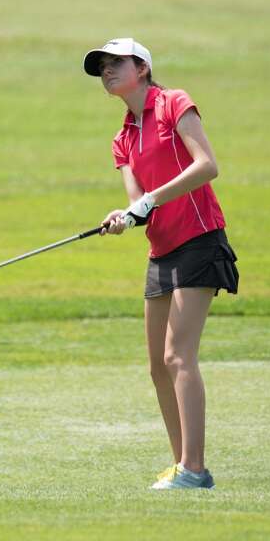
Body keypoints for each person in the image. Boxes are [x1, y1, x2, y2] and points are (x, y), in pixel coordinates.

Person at [86, 38, 238, 490]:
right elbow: (139, 205)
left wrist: (149, 200)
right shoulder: (122, 138)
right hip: (162, 249)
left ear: (144, 68)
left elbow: (207, 166)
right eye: (102, 67)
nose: (107, 71)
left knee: (178, 355)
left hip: (199, 239)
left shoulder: (174, 104)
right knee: (157, 365)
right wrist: (124, 217)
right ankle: (180, 465)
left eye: (117, 63)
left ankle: (195, 468)